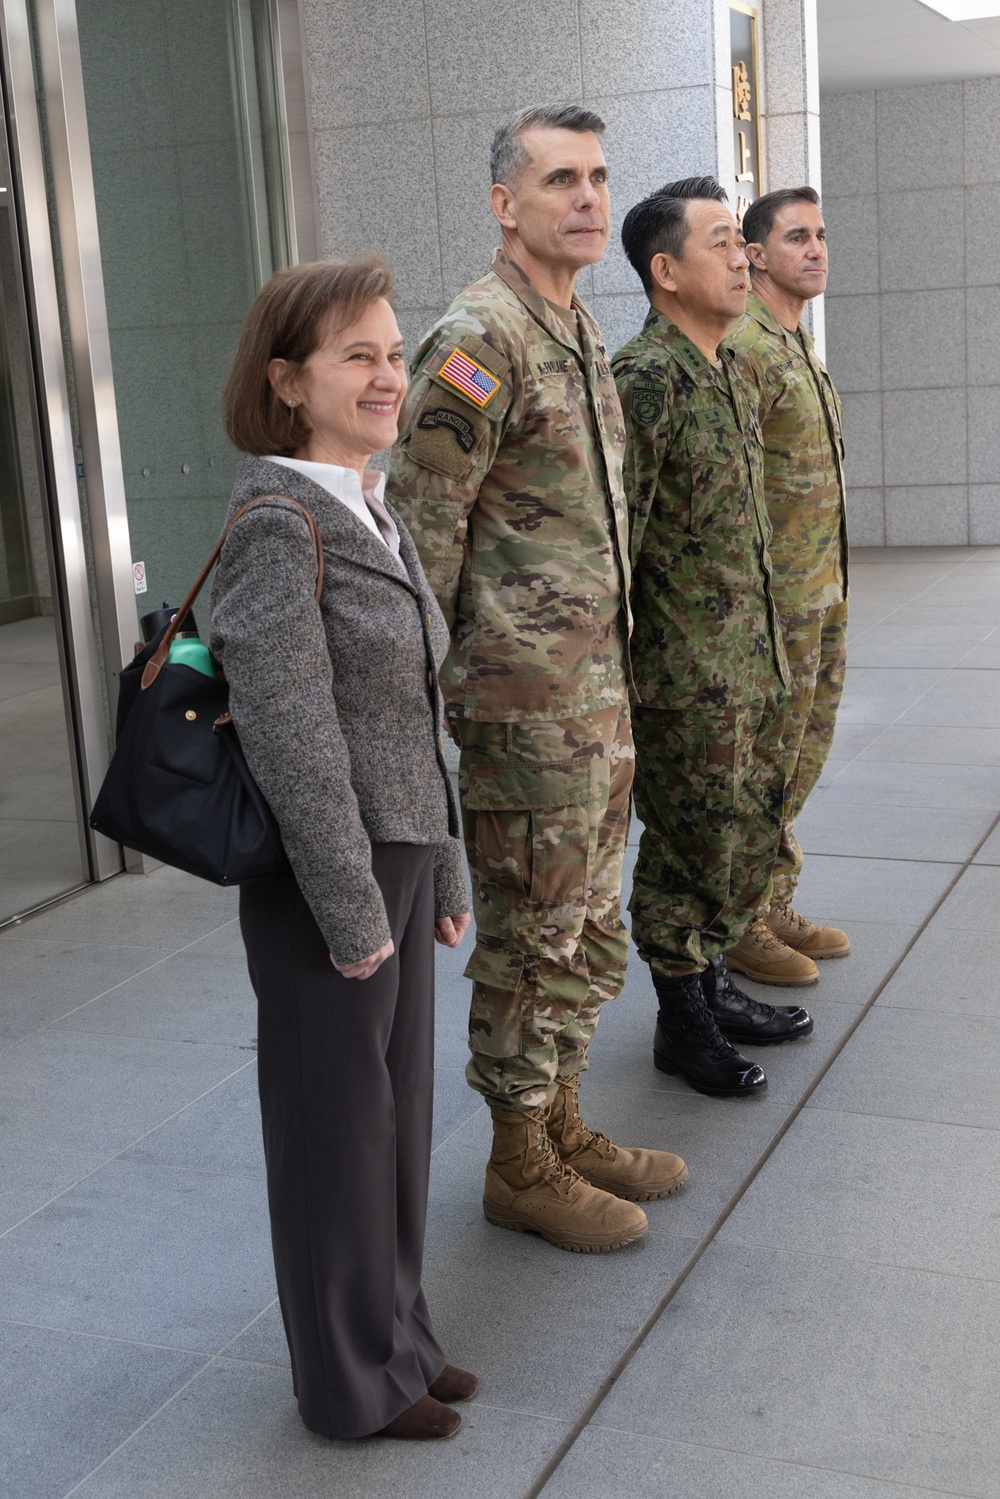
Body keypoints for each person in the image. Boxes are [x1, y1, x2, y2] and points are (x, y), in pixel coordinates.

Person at [387, 104, 686, 1254]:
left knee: (586, 920)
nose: (589, 197)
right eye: (560, 177)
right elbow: (421, 541)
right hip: (525, 712)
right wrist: (440, 703)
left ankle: (560, 1119)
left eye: (600, 176)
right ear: (505, 204)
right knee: (532, 932)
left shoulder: (570, 327)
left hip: (592, 704)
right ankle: (518, 1162)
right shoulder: (480, 340)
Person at [209, 256, 475, 1441]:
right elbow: (289, 724)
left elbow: (417, 709)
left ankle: (399, 1343)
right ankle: (348, 1383)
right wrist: (351, 901)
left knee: (394, 1119)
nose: (386, 372)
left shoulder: (369, 502)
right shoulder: (278, 518)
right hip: (335, 870)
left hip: (400, 849)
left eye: (393, 348)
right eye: (354, 354)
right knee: (335, 1130)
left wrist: (447, 869)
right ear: (286, 380)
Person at [613, 178, 814, 1100]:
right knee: (686, 849)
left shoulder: (730, 365)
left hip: (748, 658)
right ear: (666, 271)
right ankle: (681, 1022)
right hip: (685, 673)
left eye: (744, 242)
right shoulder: (645, 382)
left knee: (733, 838)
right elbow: (624, 544)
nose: (744, 257)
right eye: (723, 243)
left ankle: (713, 986)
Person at [727, 186, 850, 983]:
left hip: (821, 592)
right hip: (775, 606)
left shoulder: (798, 344)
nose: (815, 249)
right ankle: (741, 922)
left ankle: (773, 898)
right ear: (756, 255)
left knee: (799, 759)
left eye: (821, 235)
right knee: (766, 762)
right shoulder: (746, 348)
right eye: (796, 237)